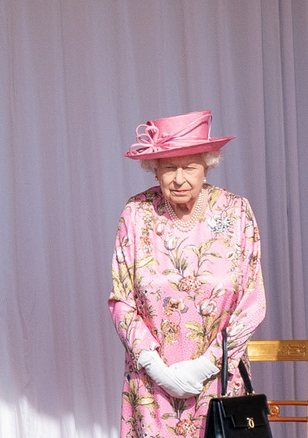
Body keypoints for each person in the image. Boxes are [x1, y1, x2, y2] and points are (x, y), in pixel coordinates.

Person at [109, 110, 266, 437]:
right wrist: (156, 367)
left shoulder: (236, 212)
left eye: (190, 167)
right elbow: (121, 301)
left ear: (208, 165)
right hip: (151, 388)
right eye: (169, 167)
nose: (179, 178)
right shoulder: (135, 215)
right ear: (154, 170)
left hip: (218, 382)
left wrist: (208, 364)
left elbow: (253, 301)